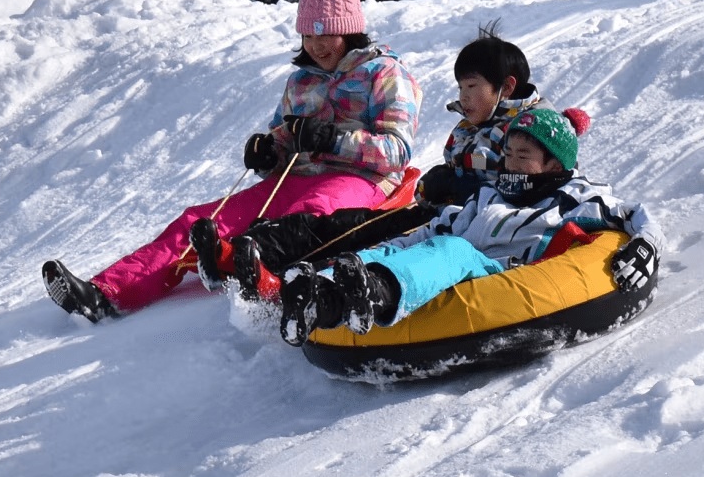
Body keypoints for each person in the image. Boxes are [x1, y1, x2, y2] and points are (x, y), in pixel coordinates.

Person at [41, 0, 422, 323]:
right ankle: (106, 295)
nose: (317, 45)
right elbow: (284, 137)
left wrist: (333, 139)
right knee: (201, 220)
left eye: (327, 34)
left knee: (307, 216)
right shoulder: (301, 80)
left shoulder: (384, 73)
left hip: (359, 182)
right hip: (295, 178)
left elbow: (397, 152)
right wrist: (268, 151)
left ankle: (252, 271)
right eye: (308, 34)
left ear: (350, 29)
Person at [189, 22, 555, 303]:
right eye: (460, 88)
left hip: (465, 229)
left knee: (363, 242)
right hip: (437, 213)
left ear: (505, 88)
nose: (463, 97)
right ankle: (241, 254)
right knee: (337, 226)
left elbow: (533, 190)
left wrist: (463, 187)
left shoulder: (531, 133)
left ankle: (290, 286)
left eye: (471, 87)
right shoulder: (472, 127)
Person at [276, 108, 666, 346]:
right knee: (416, 243)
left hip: (505, 278)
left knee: (455, 251)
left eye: (524, 156)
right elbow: (432, 232)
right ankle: (324, 296)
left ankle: (375, 293)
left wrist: (646, 245)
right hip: (448, 270)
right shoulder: (489, 196)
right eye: (509, 153)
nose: (511, 163)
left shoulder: (576, 196)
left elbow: (634, 214)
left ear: (553, 165)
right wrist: (370, 255)